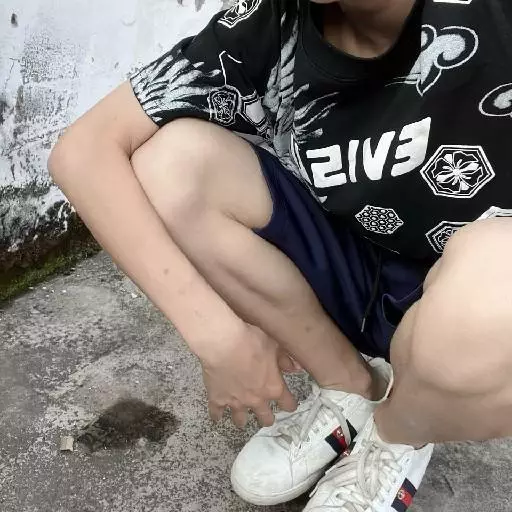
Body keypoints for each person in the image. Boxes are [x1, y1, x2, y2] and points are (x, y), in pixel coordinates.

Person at [48, 0, 512, 509]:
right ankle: (351, 387)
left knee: (496, 285)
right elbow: (83, 150)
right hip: (350, 262)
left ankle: (397, 433)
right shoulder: (272, 18)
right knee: (173, 166)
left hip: (468, 296)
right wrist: (218, 335)